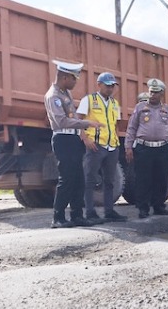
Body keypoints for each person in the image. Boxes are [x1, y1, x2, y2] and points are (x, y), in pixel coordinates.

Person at [44, 59, 103, 228]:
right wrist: (87, 123)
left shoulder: (65, 93)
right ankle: (58, 217)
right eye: (73, 79)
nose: (75, 82)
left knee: (79, 179)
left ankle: (77, 215)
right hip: (63, 139)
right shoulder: (53, 96)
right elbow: (62, 121)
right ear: (64, 77)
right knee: (67, 179)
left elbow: (73, 116)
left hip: (73, 138)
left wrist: (82, 133)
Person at [77, 72, 128, 223]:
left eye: (112, 86)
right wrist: (85, 138)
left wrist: (117, 141)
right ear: (99, 85)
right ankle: (90, 213)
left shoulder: (114, 103)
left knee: (109, 180)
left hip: (112, 146)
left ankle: (109, 211)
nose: (110, 88)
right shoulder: (89, 100)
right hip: (96, 145)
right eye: (107, 85)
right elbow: (78, 121)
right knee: (90, 179)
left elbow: (116, 125)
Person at [125, 78, 168, 219]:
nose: (152, 95)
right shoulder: (140, 108)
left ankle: (159, 206)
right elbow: (132, 127)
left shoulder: (166, 109)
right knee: (143, 179)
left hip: (163, 148)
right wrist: (128, 147)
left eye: (156, 92)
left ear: (162, 94)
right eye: (151, 92)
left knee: (161, 179)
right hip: (144, 148)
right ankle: (143, 208)